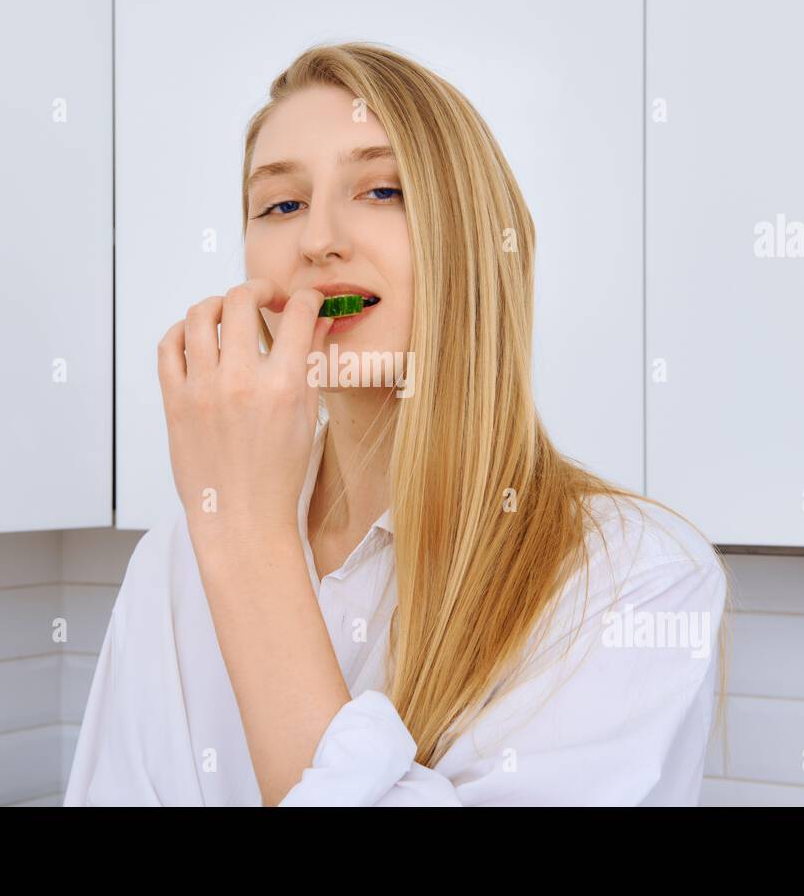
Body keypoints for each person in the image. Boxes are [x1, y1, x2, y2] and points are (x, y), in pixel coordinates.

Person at [64, 42, 731, 807]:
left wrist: (250, 538)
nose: (317, 240)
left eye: (381, 191)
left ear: (475, 244)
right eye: (281, 205)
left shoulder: (630, 580)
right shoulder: (177, 558)